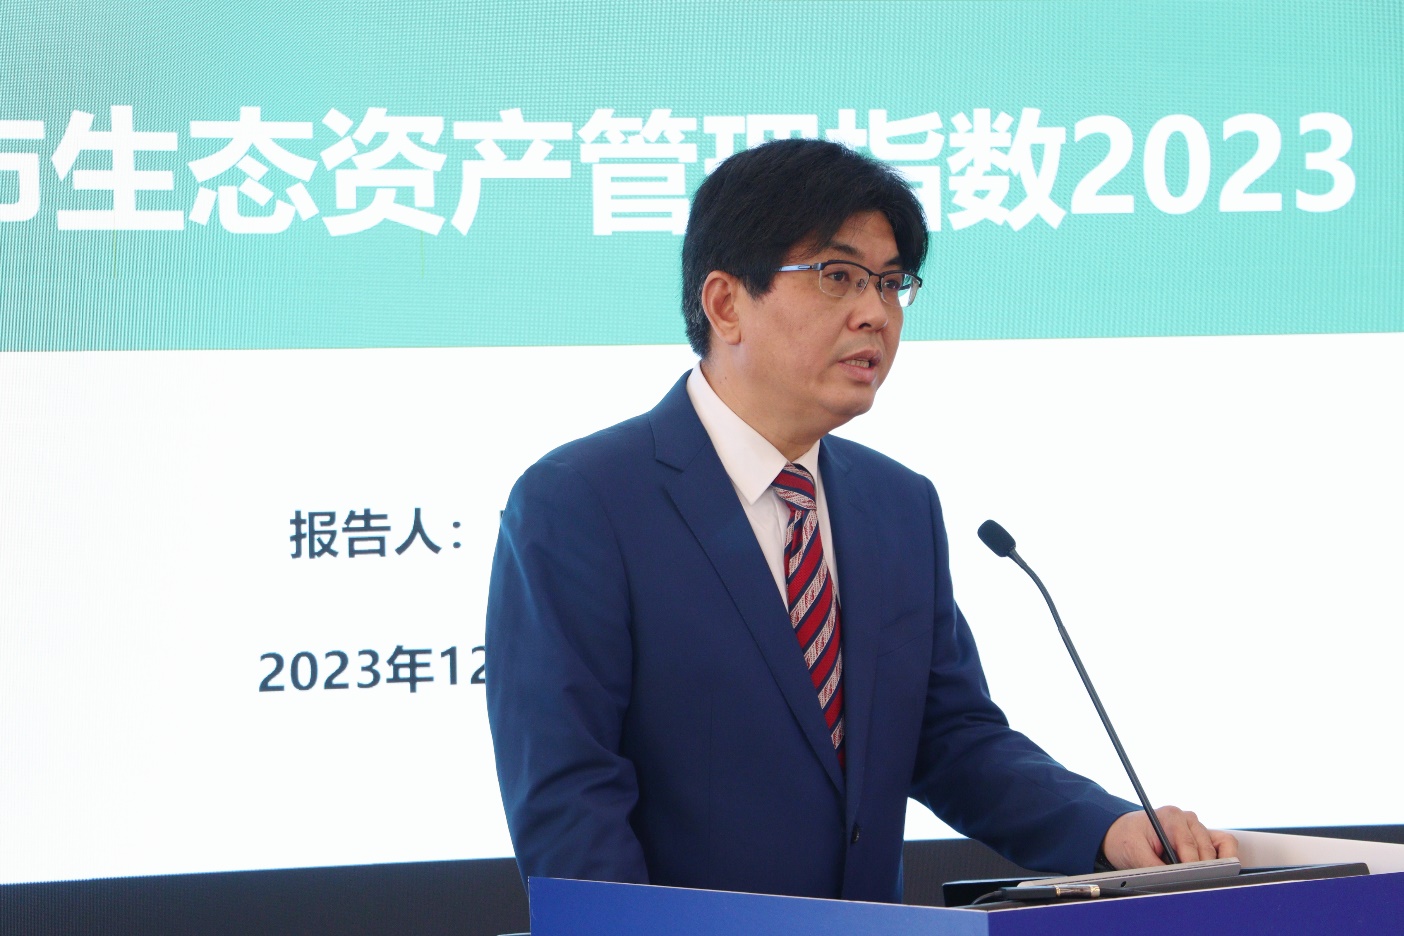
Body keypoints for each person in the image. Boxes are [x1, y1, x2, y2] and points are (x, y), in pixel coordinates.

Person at [485, 138, 1236, 902]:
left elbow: (951, 739)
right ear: (725, 304)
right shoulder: (582, 504)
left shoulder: (898, 506)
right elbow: (568, 801)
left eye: (890, 283)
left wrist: (1107, 828)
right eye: (837, 276)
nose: (875, 313)